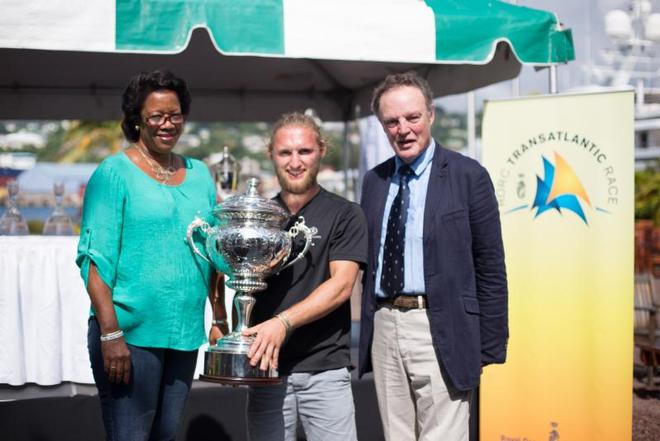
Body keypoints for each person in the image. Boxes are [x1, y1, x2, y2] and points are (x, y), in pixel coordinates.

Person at [358, 71, 508, 441]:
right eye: (392, 121)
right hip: (385, 327)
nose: (403, 129)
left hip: (443, 327)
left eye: (412, 117)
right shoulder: (373, 182)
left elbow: (490, 267)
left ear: (431, 115)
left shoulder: (468, 176)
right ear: (382, 125)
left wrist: (487, 346)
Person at [76, 70, 223, 441]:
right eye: (156, 116)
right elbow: (94, 260)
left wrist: (219, 317)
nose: (167, 124)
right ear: (137, 120)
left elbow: (213, 253)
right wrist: (111, 335)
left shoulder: (200, 174)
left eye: (175, 115)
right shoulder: (113, 173)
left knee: (166, 435)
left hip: (185, 334)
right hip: (130, 336)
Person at [241, 112, 368, 441]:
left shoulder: (345, 214)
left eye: (304, 152)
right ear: (271, 155)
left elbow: (341, 286)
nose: (295, 162)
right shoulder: (258, 220)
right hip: (266, 368)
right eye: (285, 153)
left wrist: (282, 323)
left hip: (325, 369)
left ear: (321, 151)